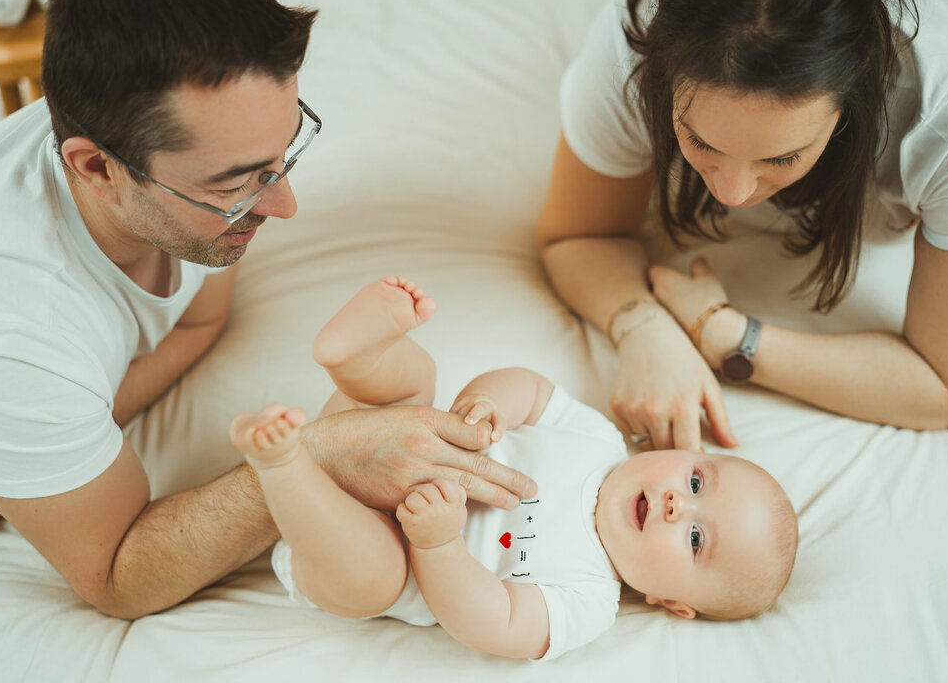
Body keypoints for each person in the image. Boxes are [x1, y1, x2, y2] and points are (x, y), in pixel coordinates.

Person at [0, 0, 536, 610]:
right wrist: (319, 457)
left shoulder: (153, 133)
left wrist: (10, 464)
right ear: (95, 169)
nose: (284, 205)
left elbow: (199, 321)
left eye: (284, 153)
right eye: (237, 183)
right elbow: (117, 575)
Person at [536, 0, 948, 452]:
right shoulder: (638, 34)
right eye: (700, 141)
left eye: (780, 157)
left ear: (855, 101)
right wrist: (643, 326)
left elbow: (944, 383)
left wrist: (726, 335)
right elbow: (577, 235)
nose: (732, 193)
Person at [231, 277, 798, 660]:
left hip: (361, 548)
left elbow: (492, 622)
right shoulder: (597, 440)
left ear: (671, 603)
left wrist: (436, 546)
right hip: (379, 441)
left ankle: (284, 464)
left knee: (378, 575)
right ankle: (357, 357)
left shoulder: (589, 602)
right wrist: (489, 406)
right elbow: (530, 388)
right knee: (414, 388)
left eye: (696, 539)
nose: (679, 504)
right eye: (696, 481)